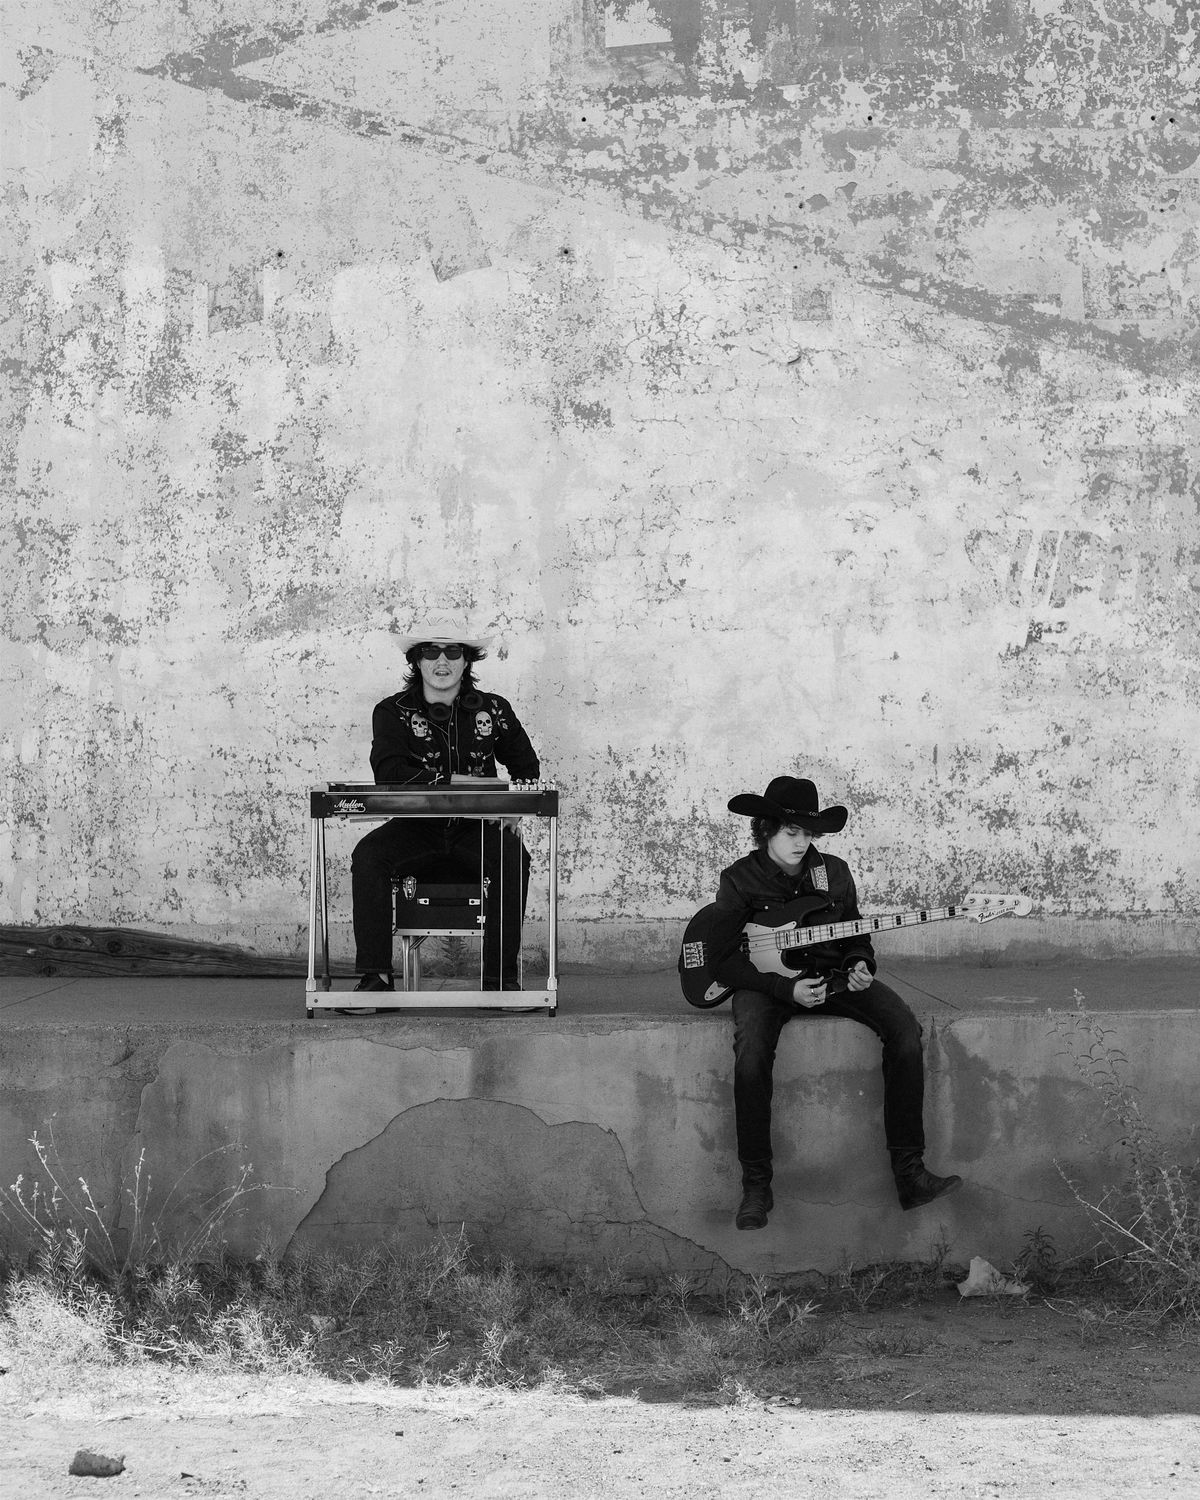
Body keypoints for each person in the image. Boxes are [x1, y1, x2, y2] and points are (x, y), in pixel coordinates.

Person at [709, 775, 962, 1230]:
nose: (801, 843)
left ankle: (911, 1174)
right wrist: (785, 990)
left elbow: (854, 927)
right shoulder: (739, 879)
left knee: (904, 1028)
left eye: (809, 834)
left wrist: (861, 961)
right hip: (767, 985)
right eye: (792, 833)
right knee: (750, 1053)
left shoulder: (834, 872)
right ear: (765, 829)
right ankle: (756, 1186)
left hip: (833, 975)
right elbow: (722, 960)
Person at [347, 613, 540, 1002]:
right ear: (416, 661)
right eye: (430, 652)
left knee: (514, 857)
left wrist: (514, 808)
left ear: (466, 661)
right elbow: (389, 769)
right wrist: (457, 786)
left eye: (453, 652)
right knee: (368, 855)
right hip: (415, 827)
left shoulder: (494, 710)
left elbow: (526, 768)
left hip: (475, 830)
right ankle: (376, 979)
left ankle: (499, 981)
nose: (442, 661)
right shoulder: (392, 711)